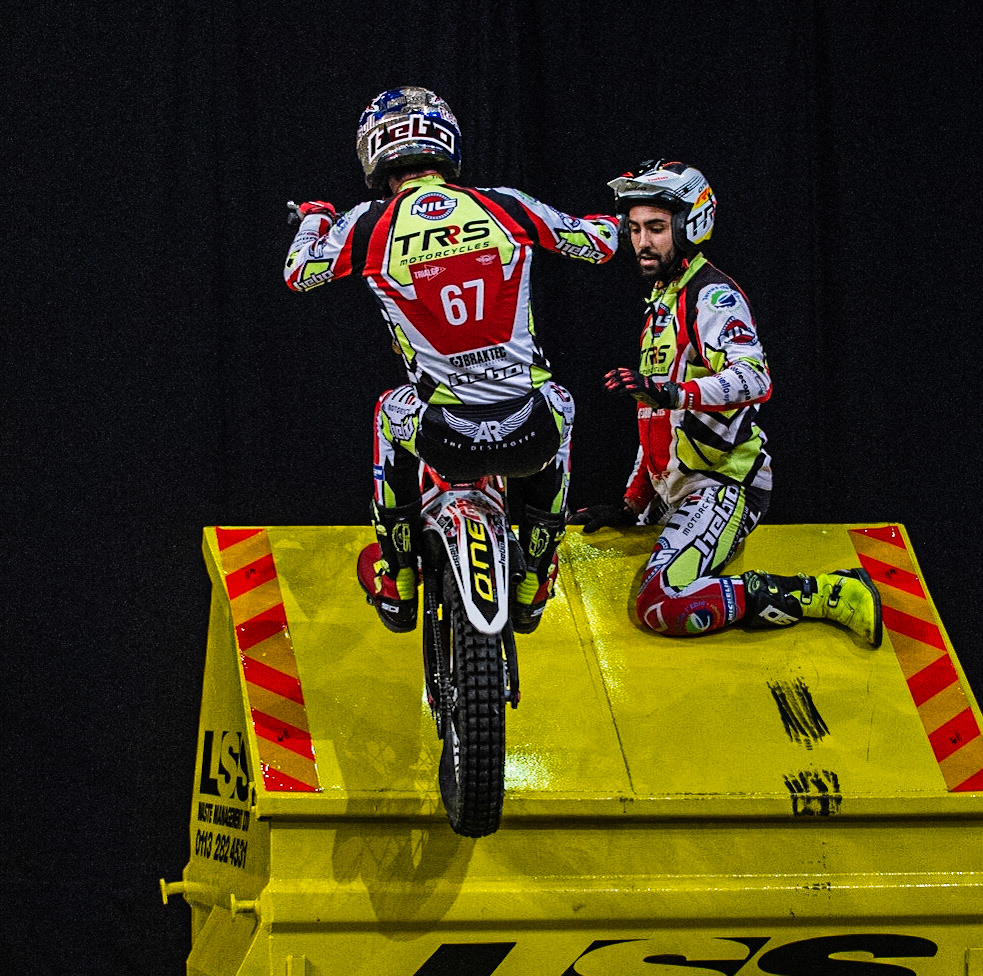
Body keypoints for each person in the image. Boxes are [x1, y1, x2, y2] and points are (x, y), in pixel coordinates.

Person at [284, 87, 619, 634]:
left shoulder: (368, 226)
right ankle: (535, 572)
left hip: (445, 433)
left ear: (376, 151)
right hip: (527, 430)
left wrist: (316, 220)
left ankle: (398, 577)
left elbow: (299, 273)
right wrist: (607, 221)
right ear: (446, 143)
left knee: (386, 412)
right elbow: (600, 244)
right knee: (562, 401)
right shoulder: (506, 204)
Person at [571, 160, 881, 647]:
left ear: (691, 226)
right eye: (633, 229)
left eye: (655, 227)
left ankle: (825, 592)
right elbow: (656, 419)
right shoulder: (662, 299)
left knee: (660, 605)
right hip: (679, 490)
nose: (641, 242)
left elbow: (754, 378)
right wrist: (631, 504)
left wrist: (673, 391)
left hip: (725, 485)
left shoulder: (710, 295)